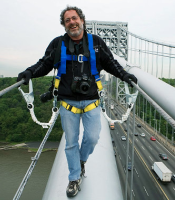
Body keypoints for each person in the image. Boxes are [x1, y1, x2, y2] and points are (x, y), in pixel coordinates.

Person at [17, 6, 137, 197]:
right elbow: (44, 63)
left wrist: (125, 76)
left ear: (82, 20)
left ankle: (81, 161)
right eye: (67, 20)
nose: (72, 22)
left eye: (74, 18)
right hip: (67, 104)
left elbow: (111, 63)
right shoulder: (58, 44)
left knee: (92, 137)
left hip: (91, 102)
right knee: (71, 142)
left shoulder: (96, 43)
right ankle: (74, 178)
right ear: (64, 25)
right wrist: (29, 73)